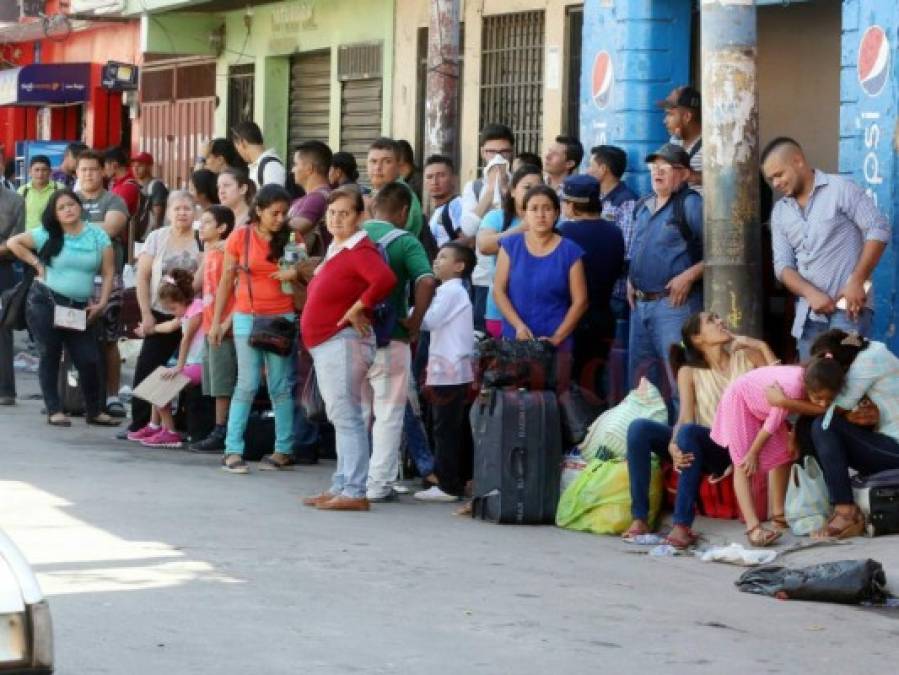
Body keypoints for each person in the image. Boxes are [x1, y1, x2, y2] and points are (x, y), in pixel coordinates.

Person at [624, 312, 778, 548]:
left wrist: (760, 344)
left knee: (689, 434)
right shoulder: (689, 371)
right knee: (639, 429)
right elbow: (685, 415)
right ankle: (640, 518)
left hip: (736, 446)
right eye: (711, 321)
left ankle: (682, 525)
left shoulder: (748, 356)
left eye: (719, 317)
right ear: (697, 338)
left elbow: (780, 386)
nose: (720, 321)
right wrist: (672, 445)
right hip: (702, 442)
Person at [300, 187, 396, 511]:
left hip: (341, 342)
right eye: (332, 213)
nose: (337, 219)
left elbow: (384, 279)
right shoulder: (339, 248)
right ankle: (342, 484)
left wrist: (359, 307)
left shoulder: (360, 249)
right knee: (342, 415)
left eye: (344, 213)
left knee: (347, 416)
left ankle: (354, 490)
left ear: (359, 216)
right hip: (329, 343)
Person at [762, 137, 890, 360]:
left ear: (798, 161)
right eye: (771, 179)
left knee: (846, 381)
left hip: (850, 311)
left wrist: (857, 281)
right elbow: (782, 266)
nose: (775, 184)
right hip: (808, 316)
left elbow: (878, 229)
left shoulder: (840, 189)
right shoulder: (780, 212)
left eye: (779, 174)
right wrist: (811, 294)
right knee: (811, 384)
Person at [768, 329, 899, 539]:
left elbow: (831, 412)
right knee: (818, 426)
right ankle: (819, 505)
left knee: (824, 426)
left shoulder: (868, 361)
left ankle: (845, 511)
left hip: (894, 447)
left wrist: (784, 402)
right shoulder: (868, 352)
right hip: (886, 443)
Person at [6, 189, 118, 426]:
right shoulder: (47, 233)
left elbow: (108, 272)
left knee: (88, 358)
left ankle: (94, 411)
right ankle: (54, 410)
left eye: (71, 205)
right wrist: (37, 263)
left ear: (79, 207)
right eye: (61, 208)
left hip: (79, 307)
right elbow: (14, 243)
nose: (68, 210)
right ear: (55, 214)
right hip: (45, 301)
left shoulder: (98, 236)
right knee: (50, 355)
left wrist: (103, 301)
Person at [209, 185, 296, 474]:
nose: (280, 219)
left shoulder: (291, 238)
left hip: (282, 316)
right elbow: (226, 281)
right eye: (274, 213)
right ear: (258, 210)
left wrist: (296, 271)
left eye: (284, 213)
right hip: (247, 316)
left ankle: (283, 449)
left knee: (280, 386)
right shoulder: (240, 237)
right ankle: (233, 450)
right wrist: (218, 321)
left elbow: (304, 276)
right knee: (246, 384)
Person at [711, 359, 845, 546]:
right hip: (740, 401)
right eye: (819, 398)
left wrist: (794, 433)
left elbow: (809, 411)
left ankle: (779, 515)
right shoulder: (790, 388)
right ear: (807, 387)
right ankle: (753, 528)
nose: (824, 404)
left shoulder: (810, 380)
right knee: (742, 464)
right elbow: (772, 424)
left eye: (828, 399)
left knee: (783, 455)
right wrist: (753, 453)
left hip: (762, 410)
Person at [362, 182, 437, 501]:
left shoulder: (352, 235)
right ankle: (378, 483)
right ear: (405, 211)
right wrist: (415, 320)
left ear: (373, 206)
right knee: (389, 412)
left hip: (349, 337)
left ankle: (352, 478)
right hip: (390, 337)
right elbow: (426, 280)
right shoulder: (405, 242)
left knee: (357, 413)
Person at [627, 143, 704, 404]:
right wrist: (630, 279)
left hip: (674, 306)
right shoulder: (643, 204)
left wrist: (690, 274)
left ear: (684, 174)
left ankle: (680, 441)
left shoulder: (691, 205)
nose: (657, 172)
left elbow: (719, 254)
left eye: (666, 167)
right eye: (654, 167)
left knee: (679, 381)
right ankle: (649, 441)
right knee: (642, 384)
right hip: (640, 305)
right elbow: (636, 248)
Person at [126, 191, 202, 437]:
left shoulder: (201, 238)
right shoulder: (157, 237)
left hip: (191, 314)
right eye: (177, 208)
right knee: (147, 367)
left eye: (187, 208)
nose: (182, 213)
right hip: (159, 311)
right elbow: (143, 275)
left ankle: (181, 427)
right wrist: (146, 312)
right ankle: (141, 424)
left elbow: (204, 276)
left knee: (186, 370)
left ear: (195, 212)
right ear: (168, 212)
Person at [414, 243, 477, 503]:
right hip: (452, 368)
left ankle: (448, 484)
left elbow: (429, 320)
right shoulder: (453, 291)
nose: (436, 261)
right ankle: (455, 479)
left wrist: (406, 314)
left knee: (444, 429)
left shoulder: (450, 291)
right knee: (450, 427)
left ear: (459, 266)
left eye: (443, 257)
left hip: (448, 369)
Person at [493, 184, 587, 355]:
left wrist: (557, 338)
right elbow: (499, 291)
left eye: (547, 209)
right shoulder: (510, 245)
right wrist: (518, 326)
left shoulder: (570, 251)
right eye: (534, 209)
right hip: (516, 338)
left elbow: (581, 301)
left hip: (555, 341)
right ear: (524, 214)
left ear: (557, 213)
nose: (540, 215)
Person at [557, 175, 625, 397]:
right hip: (604, 316)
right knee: (594, 382)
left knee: (569, 384)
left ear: (573, 206)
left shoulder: (565, 232)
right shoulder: (615, 232)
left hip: (571, 318)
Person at [76, 150, 131, 418]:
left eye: (93, 169)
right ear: (77, 173)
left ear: (103, 172)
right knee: (71, 338)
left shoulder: (115, 200)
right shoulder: (68, 199)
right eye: (83, 169)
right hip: (72, 280)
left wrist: (74, 227)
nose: (88, 174)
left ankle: (112, 396)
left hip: (108, 279)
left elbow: (110, 229)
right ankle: (73, 395)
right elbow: (54, 227)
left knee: (109, 339)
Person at [133, 270, 204, 449]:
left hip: (200, 364)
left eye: (173, 308)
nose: (173, 313)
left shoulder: (197, 310)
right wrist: (150, 329)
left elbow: (186, 339)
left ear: (184, 299)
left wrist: (179, 367)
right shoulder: (185, 311)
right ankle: (154, 425)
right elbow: (170, 325)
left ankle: (170, 432)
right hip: (190, 363)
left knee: (161, 384)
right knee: (157, 378)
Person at [190, 206, 237, 452]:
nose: (201, 226)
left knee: (222, 382)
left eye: (207, 222)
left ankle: (222, 430)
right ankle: (216, 427)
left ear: (222, 228)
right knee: (213, 381)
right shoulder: (209, 254)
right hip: (210, 325)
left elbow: (236, 291)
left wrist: (225, 323)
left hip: (223, 328)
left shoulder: (225, 255)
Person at [476, 164, 542, 338]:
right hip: (499, 309)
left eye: (537, 188)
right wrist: (522, 228)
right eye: (527, 187)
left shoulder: (549, 220)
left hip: (539, 308)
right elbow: (484, 246)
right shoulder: (496, 217)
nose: (532, 193)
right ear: (512, 191)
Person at [460, 123, 515, 331]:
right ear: (483, 153)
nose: (498, 158)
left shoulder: (520, 184)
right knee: (483, 336)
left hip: (515, 275)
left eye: (504, 152)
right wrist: (490, 189)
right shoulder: (473, 187)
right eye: (492, 152)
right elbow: (468, 229)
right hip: (484, 277)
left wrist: (506, 189)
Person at [587, 145, 638, 322]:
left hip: (615, 292)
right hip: (593, 290)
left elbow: (626, 251)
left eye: (590, 166)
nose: (587, 171)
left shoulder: (626, 201)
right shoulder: (596, 199)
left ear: (603, 169)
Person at [366, 137, 424, 237]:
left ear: (399, 166)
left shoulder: (400, 194)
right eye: (373, 161)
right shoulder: (379, 191)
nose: (378, 167)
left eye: (387, 161)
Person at [0, 183, 25, 406]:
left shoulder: (15, 201)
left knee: (2, 328)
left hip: (2, 269)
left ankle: (5, 390)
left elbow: (15, 242)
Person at [288, 140, 332, 254]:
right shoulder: (308, 199)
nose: (292, 170)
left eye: (295, 164)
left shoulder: (317, 198)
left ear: (309, 168)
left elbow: (292, 230)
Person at [658, 85, 703, 193]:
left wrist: (691, 175)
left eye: (670, 114)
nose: (665, 121)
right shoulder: (675, 140)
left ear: (687, 117)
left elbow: (730, 181)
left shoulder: (713, 145)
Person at [424, 155, 466, 247]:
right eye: (429, 177)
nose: (434, 182)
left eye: (441, 175)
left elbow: (469, 240)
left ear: (454, 179)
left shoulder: (456, 205)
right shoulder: (438, 210)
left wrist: (442, 250)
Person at [231, 121, 285, 188]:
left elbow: (274, 197)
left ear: (242, 142)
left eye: (237, 148)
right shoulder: (258, 166)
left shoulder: (270, 166)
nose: (238, 152)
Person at [18, 155, 62, 231]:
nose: (40, 174)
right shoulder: (22, 191)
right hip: (29, 237)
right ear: (30, 172)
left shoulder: (59, 189)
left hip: (54, 235)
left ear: (50, 171)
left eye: (44, 170)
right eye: (36, 170)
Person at [131, 152, 169, 239]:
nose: (135, 169)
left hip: (149, 237)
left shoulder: (156, 186)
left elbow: (158, 218)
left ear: (149, 167)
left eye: (140, 165)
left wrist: (154, 238)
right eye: (133, 165)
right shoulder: (133, 185)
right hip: (137, 236)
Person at [103, 146, 141, 219]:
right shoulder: (115, 184)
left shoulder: (128, 188)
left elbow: (112, 215)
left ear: (114, 165)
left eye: (105, 166)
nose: (104, 169)